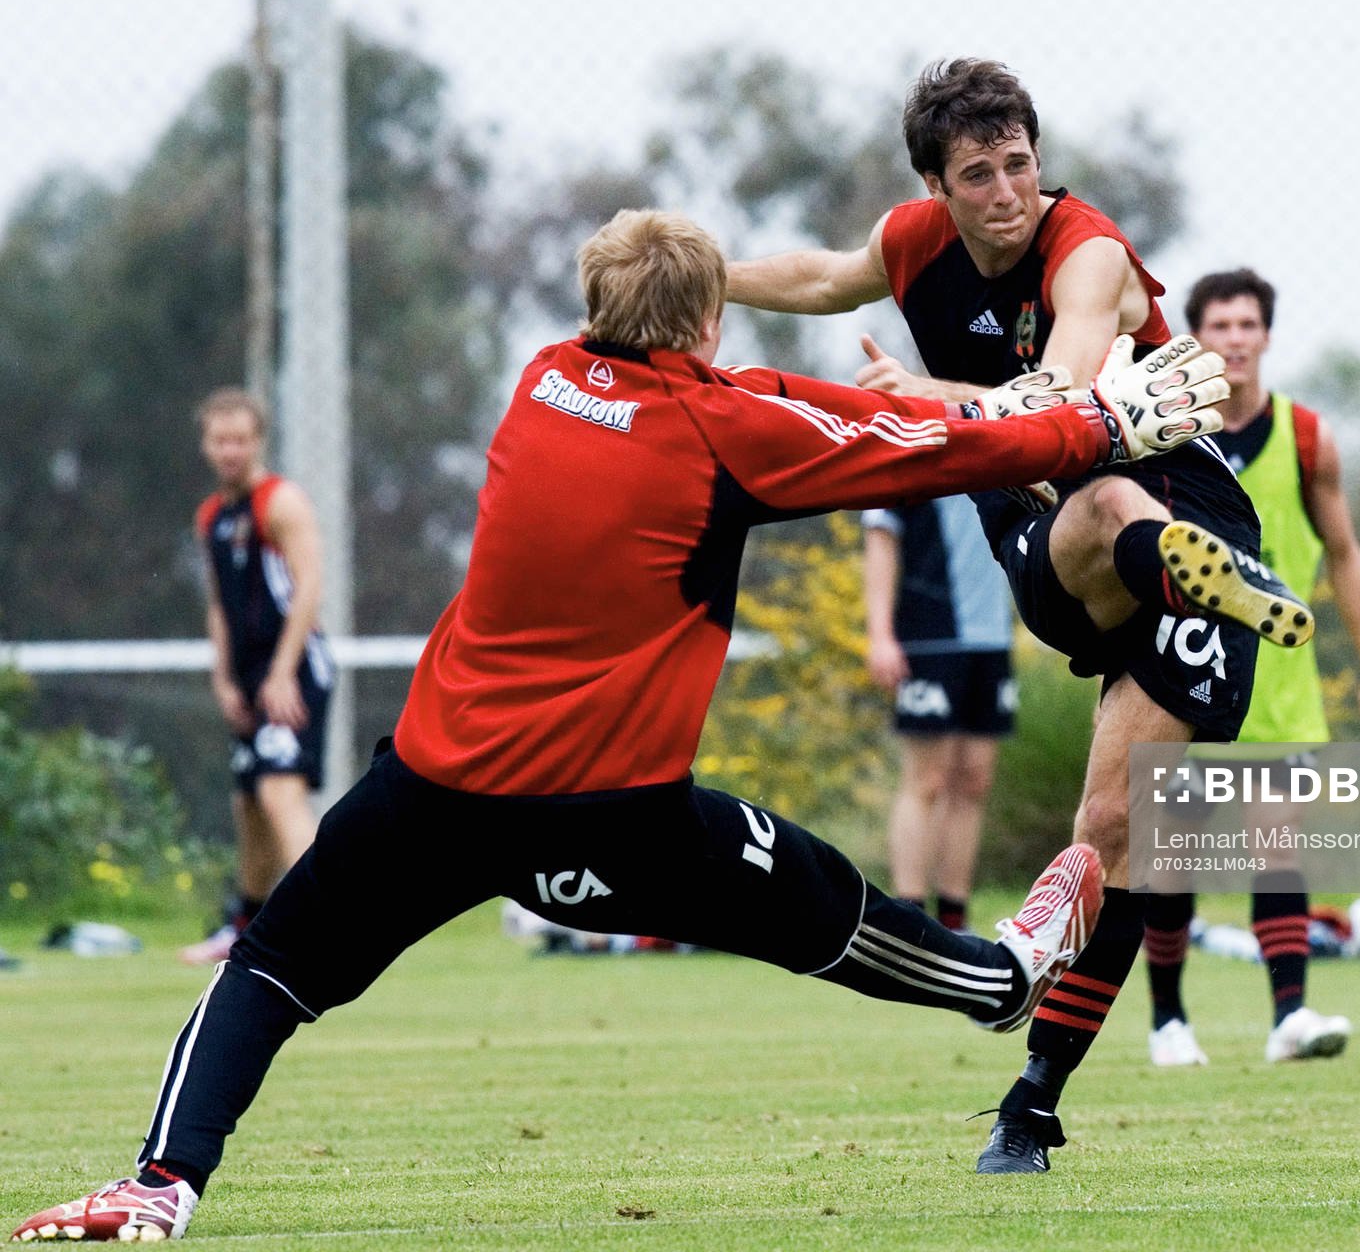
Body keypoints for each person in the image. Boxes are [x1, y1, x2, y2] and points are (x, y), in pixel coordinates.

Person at [8, 208, 1233, 1243]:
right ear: (706, 324)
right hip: (621, 816)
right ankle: (1003, 976)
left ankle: (159, 1181)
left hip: (435, 790)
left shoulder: (540, 380)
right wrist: (1105, 425)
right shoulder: (727, 422)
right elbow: (916, 443)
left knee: (270, 964)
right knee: (834, 910)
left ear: (595, 303)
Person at [725, 58, 1314, 1175]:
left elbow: (1056, 399)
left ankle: (1028, 1107)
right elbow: (822, 277)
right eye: (978, 173)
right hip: (1060, 541)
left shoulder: (1084, 250)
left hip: (1182, 512)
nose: (1006, 191)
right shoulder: (911, 243)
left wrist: (922, 399)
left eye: (1018, 165)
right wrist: (712, 275)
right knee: (1092, 504)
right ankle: (1174, 569)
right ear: (937, 185)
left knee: (1111, 841)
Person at [1141, 269, 1360, 1068]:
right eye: (1219, 325)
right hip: (1184, 673)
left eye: (1248, 324)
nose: (1235, 338)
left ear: (1265, 337)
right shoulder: (1163, 430)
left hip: (1279, 687)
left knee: (1275, 846)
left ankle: (1289, 1013)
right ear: (1195, 339)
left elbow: (1345, 556)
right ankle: (1167, 1022)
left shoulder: (1307, 438)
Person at [180, 389, 330, 967]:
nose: (230, 451)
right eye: (220, 440)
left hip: (294, 673)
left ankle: (329, 919)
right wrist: (223, 679)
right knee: (248, 803)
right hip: (247, 681)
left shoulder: (281, 502)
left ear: (258, 440)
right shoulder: (212, 517)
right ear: (206, 445)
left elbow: (310, 586)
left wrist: (283, 672)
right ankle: (245, 923)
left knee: (279, 791)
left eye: (240, 439)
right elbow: (219, 604)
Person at [861, 492, 1016, 932]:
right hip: (927, 636)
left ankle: (954, 921)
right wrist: (880, 635)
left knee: (974, 779)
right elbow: (880, 536)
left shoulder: (999, 447)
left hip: (991, 639)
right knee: (926, 779)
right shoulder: (909, 449)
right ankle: (909, 920)